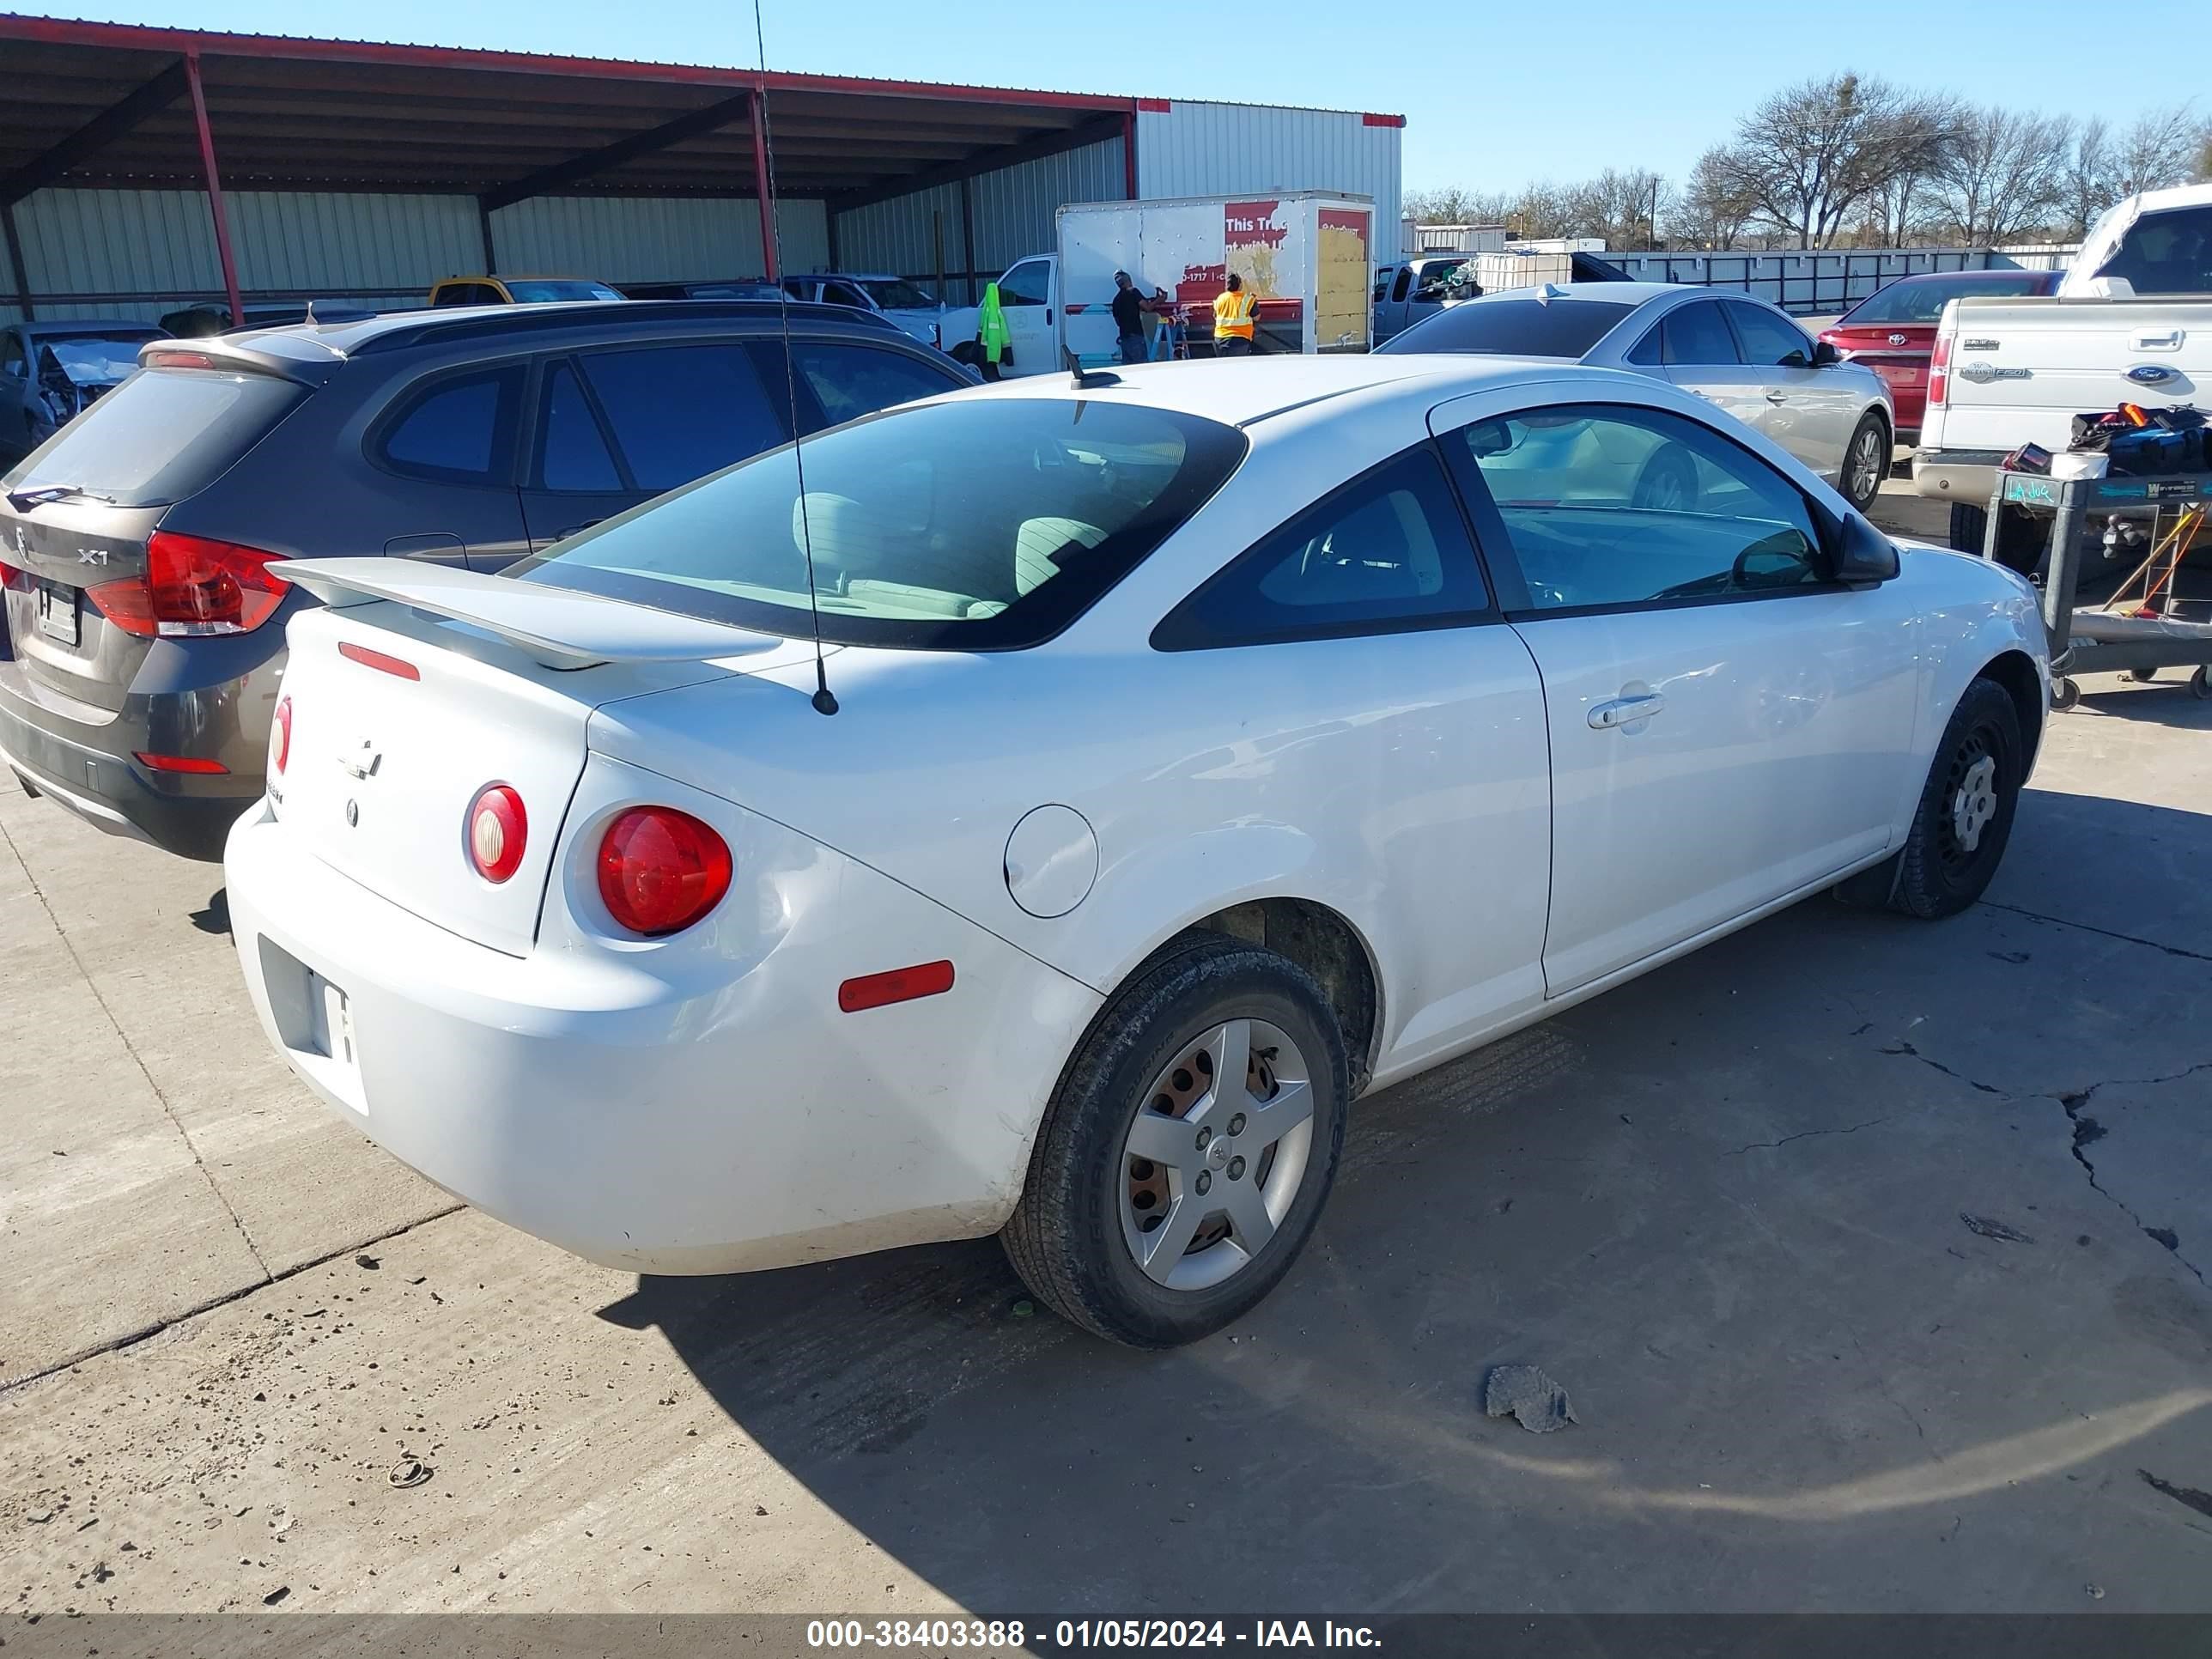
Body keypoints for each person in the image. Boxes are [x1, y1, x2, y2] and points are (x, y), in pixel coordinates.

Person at [1110, 270, 1150, 367]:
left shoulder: (1116, 300)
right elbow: (1147, 307)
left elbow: (1117, 322)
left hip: (1124, 339)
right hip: (1136, 336)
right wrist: (1159, 300)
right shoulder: (1133, 292)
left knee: (1129, 369)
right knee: (1142, 367)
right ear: (1128, 281)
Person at [1212, 272, 1256, 357]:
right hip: (1240, 339)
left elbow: (1215, 316)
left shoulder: (1220, 298)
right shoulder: (1247, 299)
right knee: (1239, 366)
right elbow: (1257, 317)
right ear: (1239, 285)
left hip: (1220, 339)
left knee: (1224, 365)